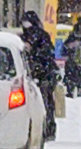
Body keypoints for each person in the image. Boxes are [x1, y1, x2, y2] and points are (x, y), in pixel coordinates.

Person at [19, 11, 58, 141]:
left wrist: (37, 66)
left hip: (42, 75)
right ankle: (46, 129)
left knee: (43, 102)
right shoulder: (35, 35)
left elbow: (45, 55)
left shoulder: (36, 36)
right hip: (40, 74)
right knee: (44, 103)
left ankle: (45, 129)